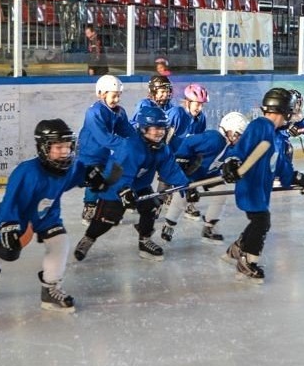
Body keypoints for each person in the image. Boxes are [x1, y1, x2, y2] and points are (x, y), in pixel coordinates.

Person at [0, 119, 116, 312]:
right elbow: (11, 201)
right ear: (43, 147)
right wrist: (8, 224)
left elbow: (79, 174)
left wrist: (92, 177)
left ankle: (50, 290)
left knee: (60, 242)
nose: (65, 152)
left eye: (67, 147)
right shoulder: (27, 171)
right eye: (59, 147)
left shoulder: (70, 167)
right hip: (16, 218)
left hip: (47, 215)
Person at [74, 106, 190, 263]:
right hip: (115, 186)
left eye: (162, 128)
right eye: (155, 128)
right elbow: (119, 174)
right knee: (107, 219)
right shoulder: (130, 147)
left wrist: (186, 186)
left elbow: (171, 169)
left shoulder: (162, 149)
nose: (160, 132)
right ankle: (89, 238)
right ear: (143, 129)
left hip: (140, 185)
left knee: (151, 207)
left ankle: (144, 240)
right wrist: (123, 191)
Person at [219, 88, 297, 282]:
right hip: (249, 188)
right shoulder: (260, 125)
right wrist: (232, 161)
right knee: (262, 221)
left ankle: (235, 250)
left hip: (260, 192)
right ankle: (247, 261)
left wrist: (296, 177)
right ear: (284, 110)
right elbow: (241, 147)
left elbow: (279, 164)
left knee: (258, 221)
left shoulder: (275, 136)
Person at [160, 111, 249, 245]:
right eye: (237, 134)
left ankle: (209, 228)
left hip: (210, 174)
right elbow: (189, 142)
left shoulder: (232, 147)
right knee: (182, 196)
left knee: (221, 195)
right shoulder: (214, 138)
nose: (239, 139)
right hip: (193, 173)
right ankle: (169, 225)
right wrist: (181, 158)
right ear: (228, 130)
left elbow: (236, 159)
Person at [78, 74, 133, 224]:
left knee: (112, 179)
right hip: (88, 154)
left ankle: (107, 209)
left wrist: (137, 141)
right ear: (101, 94)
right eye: (114, 96)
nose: (117, 99)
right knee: (95, 180)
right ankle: (89, 207)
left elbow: (126, 130)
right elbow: (104, 137)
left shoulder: (119, 111)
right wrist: (125, 144)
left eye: (119, 96)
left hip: (105, 153)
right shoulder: (94, 112)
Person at [165, 82, 209, 220]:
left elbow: (198, 141)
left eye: (202, 104)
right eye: (197, 104)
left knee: (193, 171)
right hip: (170, 155)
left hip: (186, 156)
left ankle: (188, 202)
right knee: (164, 188)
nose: (200, 108)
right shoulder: (176, 114)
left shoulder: (201, 118)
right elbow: (164, 138)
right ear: (187, 102)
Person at [275, 88, 304, 190]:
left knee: (288, 148)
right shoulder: (277, 113)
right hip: (272, 140)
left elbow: (303, 124)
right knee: (281, 147)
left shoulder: (296, 115)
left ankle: (283, 174)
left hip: (282, 141)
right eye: (295, 103)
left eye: (298, 103)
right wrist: (286, 131)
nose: (297, 106)